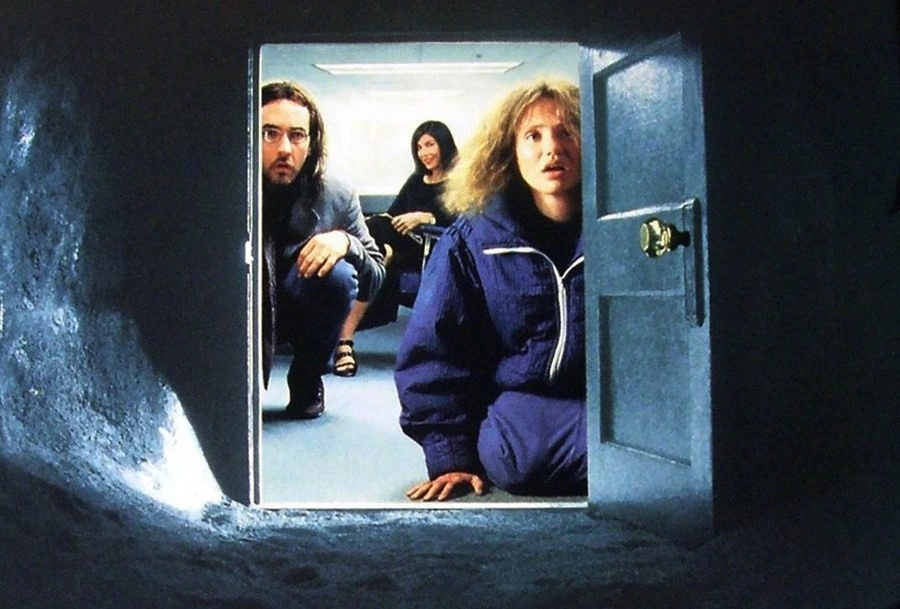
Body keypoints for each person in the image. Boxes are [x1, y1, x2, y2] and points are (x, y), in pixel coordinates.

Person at [394, 79, 586, 500]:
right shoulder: (474, 237)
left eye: (567, 132)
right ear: (509, 151)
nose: (553, 149)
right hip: (526, 398)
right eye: (533, 136)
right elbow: (434, 346)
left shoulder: (625, 228)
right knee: (517, 459)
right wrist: (451, 454)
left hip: (614, 397)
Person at [261, 81, 385, 419]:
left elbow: (374, 278)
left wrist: (347, 243)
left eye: (297, 135)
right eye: (270, 134)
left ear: (312, 142)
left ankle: (307, 377)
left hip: (300, 305)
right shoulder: (225, 189)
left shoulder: (337, 194)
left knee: (339, 277)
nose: (284, 148)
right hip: (243, 306)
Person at [332, 120, 459, 377]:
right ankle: (343, 336)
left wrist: (427, 217)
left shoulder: (460, 181)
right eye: (419, 147)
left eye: (430, 145)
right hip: (403, 247)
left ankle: (341, 339)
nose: (424, 152)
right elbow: (392, 215)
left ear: (444, 145)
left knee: (372, 237)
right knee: (377, 232)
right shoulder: (417, 180)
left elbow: (465, 225)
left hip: (435, 250)